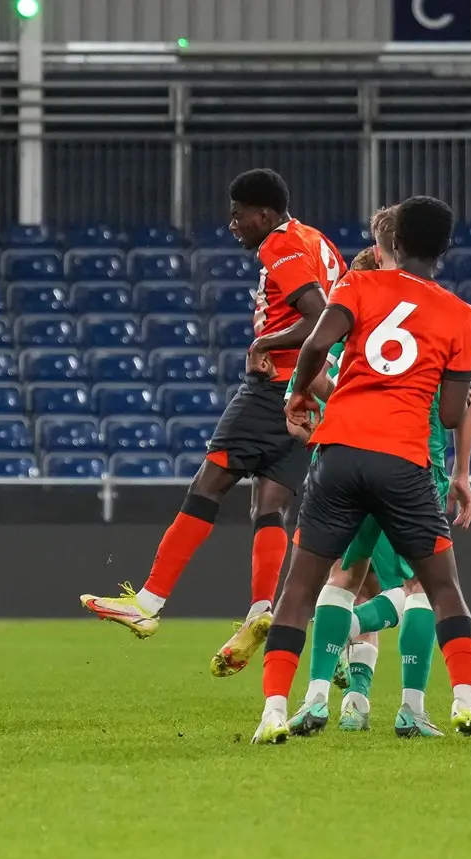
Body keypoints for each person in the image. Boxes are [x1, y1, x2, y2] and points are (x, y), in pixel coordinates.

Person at [252, 195, 471, 745]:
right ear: (443, 249)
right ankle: (465, 701)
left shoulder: (356, 285)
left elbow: (317, 343)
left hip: (339, 453)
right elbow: (449, 411)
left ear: (392, 242)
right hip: (405, 459)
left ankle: (275, 709)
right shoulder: (461, 315)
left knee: (301, 588)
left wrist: (297, 393)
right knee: (441, 589)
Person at [81, 168, 344, 677]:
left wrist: (264, 343)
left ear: (264, 214)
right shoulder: (318, 241)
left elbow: (318, 316)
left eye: (238, 214)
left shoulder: (281, 245)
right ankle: (261, 610)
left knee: (210, 481)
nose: (232, 225)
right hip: (310, 392)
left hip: (276, 388)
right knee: (270, 503)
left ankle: (150, 602)